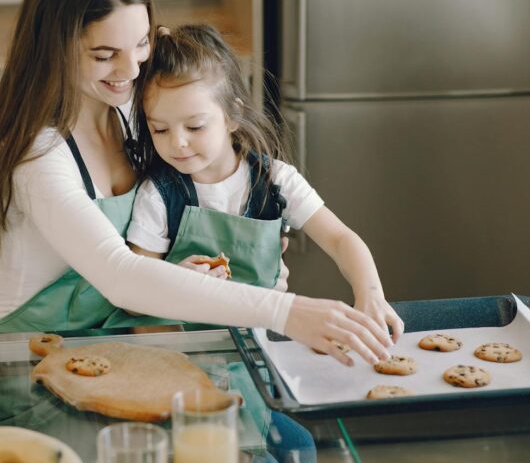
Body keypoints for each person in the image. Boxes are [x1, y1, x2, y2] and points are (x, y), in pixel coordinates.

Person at [0, 0, 393, 368]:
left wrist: (188, 269)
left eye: (141, 44)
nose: (131, 71)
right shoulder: (39, 155)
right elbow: (120, 274)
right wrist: (288, 312)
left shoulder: (130, 113)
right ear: (55, 47)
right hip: (23, 365)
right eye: (106, 55)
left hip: (111, 350)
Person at [126, 24, 404, 342]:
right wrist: (175, 280)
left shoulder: (275, 181)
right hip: (185, 354)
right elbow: (134, 296)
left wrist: (371, 295)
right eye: (160, 130)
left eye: (195, 126)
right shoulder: (158, 195)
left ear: (232, 116)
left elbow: (340, 239)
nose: (178, 143)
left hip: (263, 345)